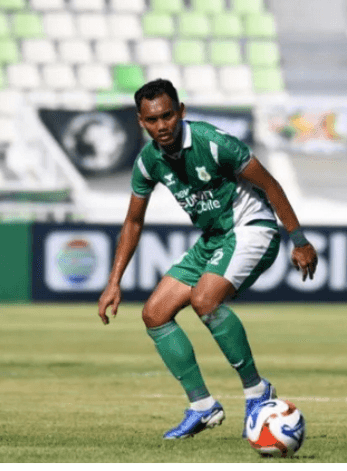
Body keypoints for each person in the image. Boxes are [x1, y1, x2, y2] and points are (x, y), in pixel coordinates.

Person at [98, 78, 318, 440]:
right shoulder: (148, 161)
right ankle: (202, 406)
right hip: (214, 238)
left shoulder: (215, 143)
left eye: (168, 116)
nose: (162, 125)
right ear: (141, 121)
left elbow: (270, 184)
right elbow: (133, 221)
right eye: (152, 120)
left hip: (252, 227)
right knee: (154, 314)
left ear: (181, 112)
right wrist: (113, 282)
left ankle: (256, 391)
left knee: (204, 299)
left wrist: (298, 239)